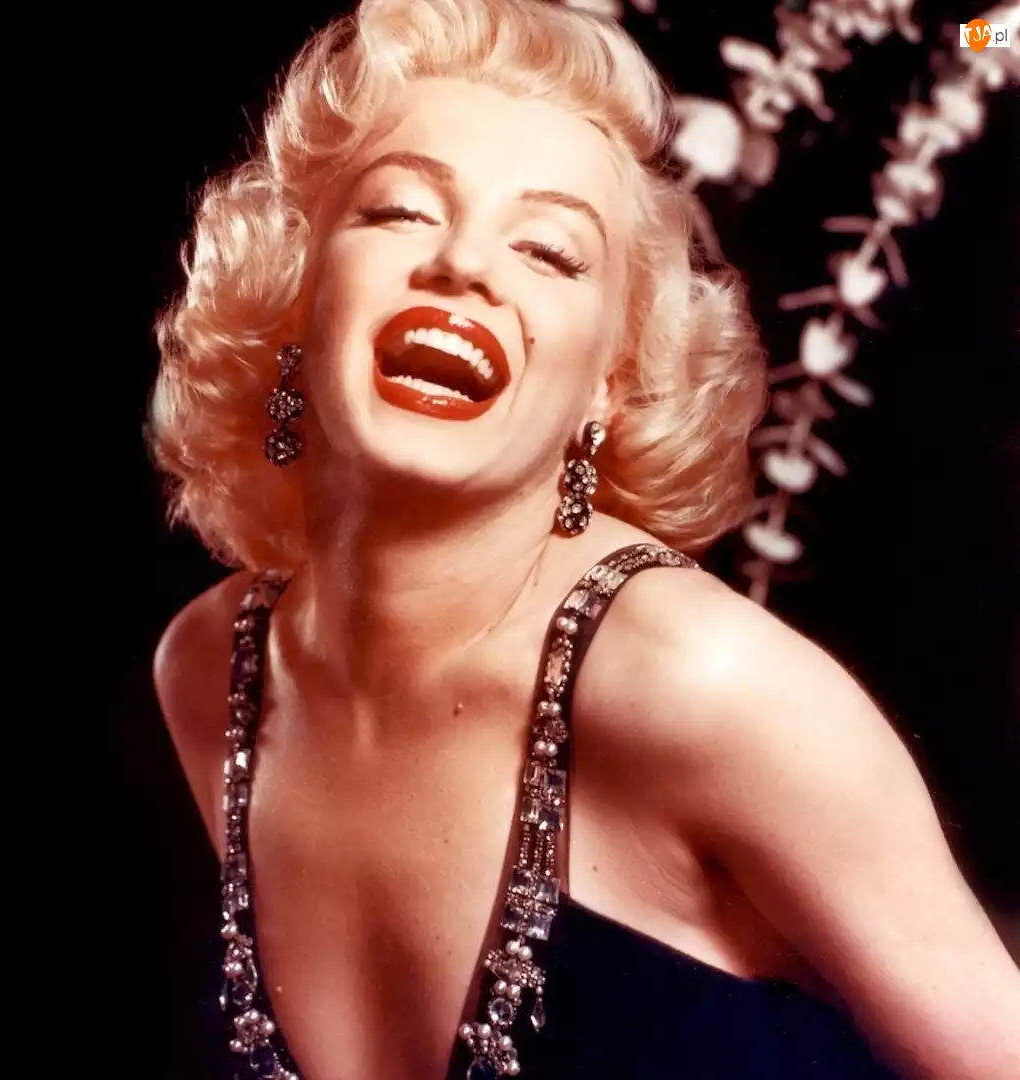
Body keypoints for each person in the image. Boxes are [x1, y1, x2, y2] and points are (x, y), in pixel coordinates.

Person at [145, 1, 1020, 1077]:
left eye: (551, 252)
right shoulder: (210, 670)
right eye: (400, 210)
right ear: (298, 295)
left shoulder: (708, 690)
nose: (464, 263)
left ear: (609, 383)